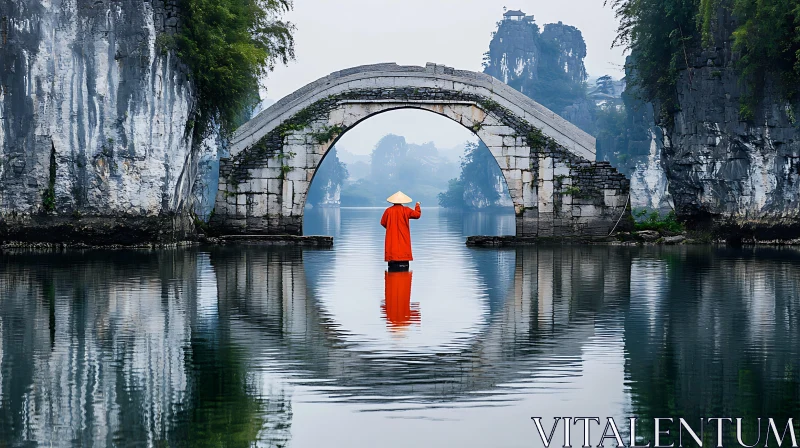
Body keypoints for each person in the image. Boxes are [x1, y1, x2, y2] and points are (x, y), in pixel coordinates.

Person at [380, 191, 421, 271]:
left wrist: (390, 229)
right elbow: (417, 215)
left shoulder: (388, 211)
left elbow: (383, 222)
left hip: (391, 241)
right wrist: (417, 205)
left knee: (392, 256)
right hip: (404, 239)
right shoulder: (406, 210)